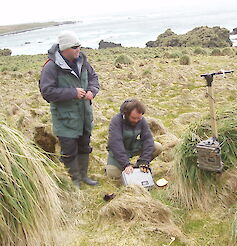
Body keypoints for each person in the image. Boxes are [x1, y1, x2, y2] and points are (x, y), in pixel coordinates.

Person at [39, 31, 100, 188]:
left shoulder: (83, 62)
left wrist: (92, 91)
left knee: (84, 147)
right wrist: (72, 93)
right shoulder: (51, 67)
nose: (78, 49)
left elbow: (94, 78)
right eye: (75, 47)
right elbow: (46, 92)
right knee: (69, 151)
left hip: (85, 116)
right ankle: (73, 181)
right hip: (65, 119)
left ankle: (84, 177)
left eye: (79, 46)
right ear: (65, 49)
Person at [106, 99, 162, 179]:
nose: (136, 121)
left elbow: (148, 140)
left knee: (157, 147)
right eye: (133, 118)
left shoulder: (142, 120)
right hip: (118, 151)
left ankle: (138, 167)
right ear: (126, 114)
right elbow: (115, 144)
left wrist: (144, 160)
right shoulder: (116, 121)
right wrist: (126, 164)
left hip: (133, 147)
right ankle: (126, 167)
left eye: (138, 118)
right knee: (113, 175)